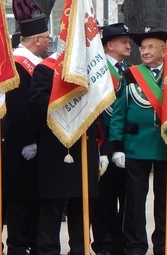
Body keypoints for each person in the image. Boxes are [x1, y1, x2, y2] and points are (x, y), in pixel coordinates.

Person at [110, 27, 167, 255]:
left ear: (164, 50)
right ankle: (136, 246)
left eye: (151, 47)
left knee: (166, 200)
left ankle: (163, 245)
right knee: (134, 202)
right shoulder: (131, 74)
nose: (145, 51)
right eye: (142, 47)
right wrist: (117, 147)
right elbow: (119, 113)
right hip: (135, 148)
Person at [30, 51, 104, 255]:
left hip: (84, 145)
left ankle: (80, 250)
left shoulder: (90, 68)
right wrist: (67, 98)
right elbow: (37, 104)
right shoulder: (45, 68)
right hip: (57, 147)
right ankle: (47, 251)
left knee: (82, 205)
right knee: (52, 206)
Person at [3, 0, 51, 255]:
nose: (48, 41)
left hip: (36, 147)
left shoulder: (34, 61)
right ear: (36, 40)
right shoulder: (20, 64)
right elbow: (19, 108)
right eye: (46, 37)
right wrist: (28, 141)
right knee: (21, 203)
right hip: (22, 147)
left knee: (34, 202)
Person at [93, 23, 132, 255]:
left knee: (125, 196)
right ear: (109, 45)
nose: (128, 45)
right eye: (123, 41)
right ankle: (103, 244)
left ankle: (121, 243)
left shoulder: (129, 70)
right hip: (102, 143)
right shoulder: (98, 70)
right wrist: (104, 148)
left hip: (125, 144)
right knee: (103, 199)